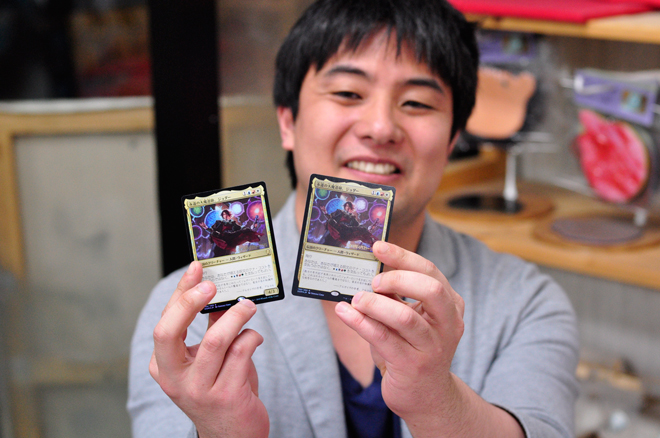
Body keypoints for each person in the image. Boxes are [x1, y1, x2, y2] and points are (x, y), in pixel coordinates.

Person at [127, 0, 579, 437]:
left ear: (451, 141)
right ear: (287, 122)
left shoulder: (524, 302)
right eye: (347, 93)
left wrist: (437, 402)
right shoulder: (185, 319)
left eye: (417, 103)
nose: (380, 128)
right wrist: (223, 433)